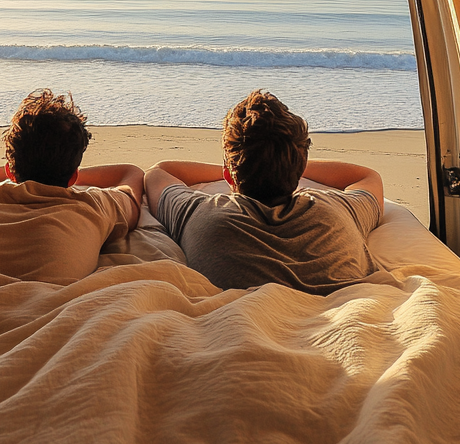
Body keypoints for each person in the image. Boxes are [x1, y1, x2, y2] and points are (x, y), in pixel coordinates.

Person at [144, 89, 383, 294]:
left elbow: (158, 173)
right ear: (299, 169)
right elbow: (366, 177)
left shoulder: (198, 215)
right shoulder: (339, 213)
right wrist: (287, 160)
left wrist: (242, 165)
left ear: (229, 174)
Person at [0, 89, 143, 283]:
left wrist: (9, 171)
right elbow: (131, 175)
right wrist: (63, 170)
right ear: (73, 177)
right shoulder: (93, 207)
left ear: (10, 171)